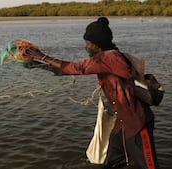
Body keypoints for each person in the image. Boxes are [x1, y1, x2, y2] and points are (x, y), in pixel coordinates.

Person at [25, 17, 161, 169]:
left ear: (97, 44)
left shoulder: (110, 58)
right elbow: (69, 70)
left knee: (149, 166)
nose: (86, 47)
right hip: (122, 124)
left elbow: (76, 68)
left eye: (88, 43)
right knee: (113, 163)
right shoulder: (107, 58)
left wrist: (41, 56)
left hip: (137, 122)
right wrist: (38, 65)